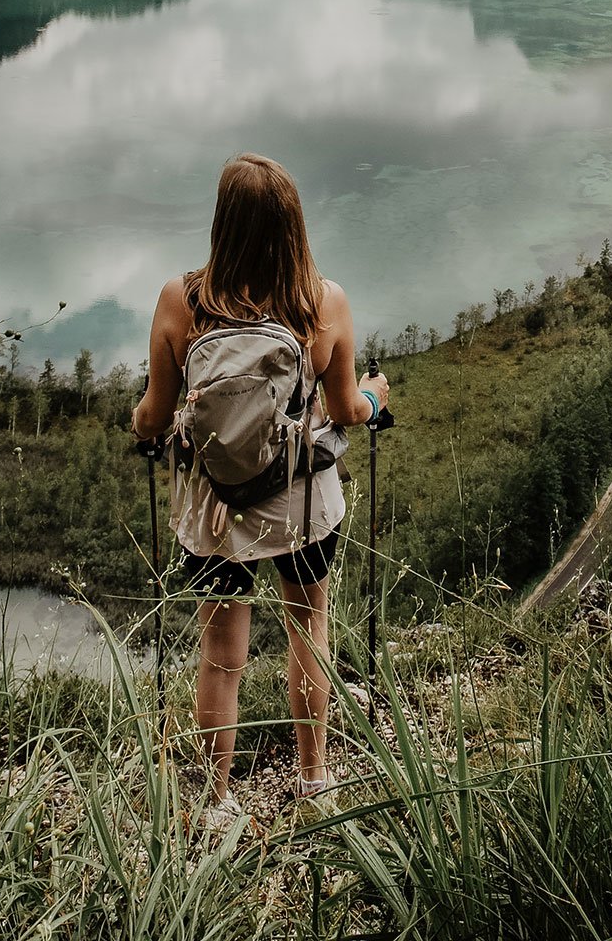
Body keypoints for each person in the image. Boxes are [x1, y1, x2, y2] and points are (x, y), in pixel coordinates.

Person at [132, 153, 389, 820]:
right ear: (292, 225)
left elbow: (155, 417)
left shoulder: (178, 302)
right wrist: (371, 394)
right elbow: (343, 413)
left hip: (215, 513)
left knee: (221, 656)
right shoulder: (320, 302)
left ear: (222, 223)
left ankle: (217, 801)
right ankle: (313, 779)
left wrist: (140, 420)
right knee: (309, 626)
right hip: (301, 507)